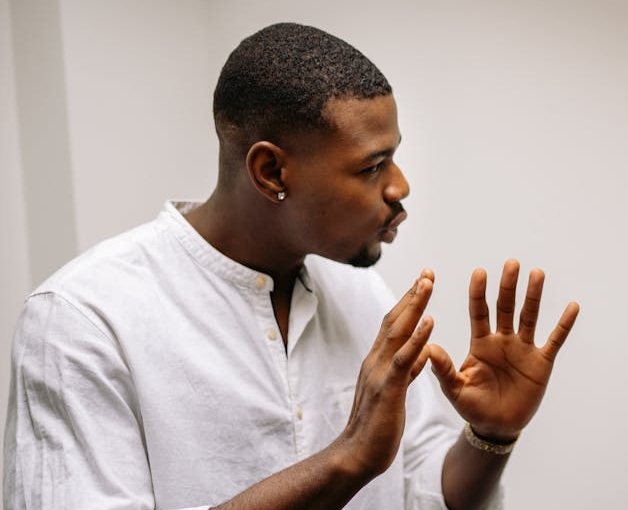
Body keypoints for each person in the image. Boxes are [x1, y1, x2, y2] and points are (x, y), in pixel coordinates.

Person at [4, 22, 579, 510]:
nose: (401, 187)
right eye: (372, 166)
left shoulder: (366, 298)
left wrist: (490, 437)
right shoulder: (83, 321)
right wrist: (345, 460)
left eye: (395, 156)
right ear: (271, 173)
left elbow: (425, 493)